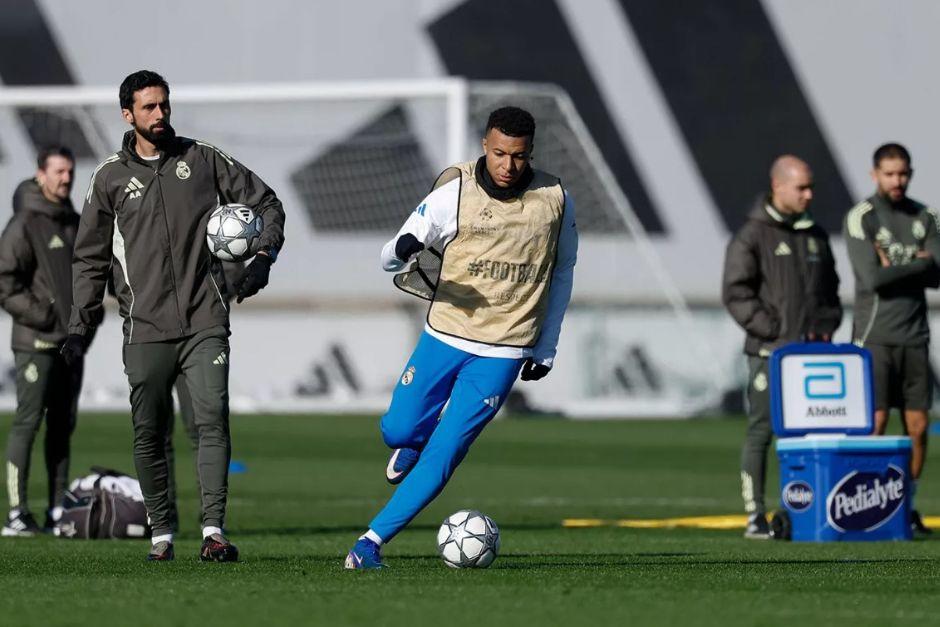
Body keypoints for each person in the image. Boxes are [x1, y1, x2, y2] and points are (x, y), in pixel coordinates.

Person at [63, 70, 285, 561]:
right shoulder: (109, 178)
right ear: (128, 114)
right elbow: (89, 259)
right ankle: (161, 534)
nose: (160, 114)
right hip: (144, 327)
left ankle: (214, 532)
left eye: (164, 104)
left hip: (205, 319)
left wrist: (263, 258)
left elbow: (268, 203)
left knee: (211, 421)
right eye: (149, 107)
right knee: (149, 432)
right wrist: (79, 325)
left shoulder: (202, 159)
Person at [344, 106, 578, 569]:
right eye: (499, 153)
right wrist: (402, 251)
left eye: (518, 155)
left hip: (505, 349)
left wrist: (545, 347)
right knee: (397, 429)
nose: (508, 165)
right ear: (484, 146)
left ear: (530, 152)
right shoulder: (454, 192)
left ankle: (370, 543)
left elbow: (563, 271)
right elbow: (389, 257)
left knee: (447, 451)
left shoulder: (555, 199)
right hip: (446, 334)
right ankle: (411, 442)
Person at [722, 155, 842, 539]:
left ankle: (810, 510)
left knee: (811, 434)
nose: (809, 195)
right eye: (801, 188)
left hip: (811, 358)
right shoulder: (751, 235)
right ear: (778, 186)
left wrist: (826, 326)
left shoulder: (816, 235)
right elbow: (736, 293)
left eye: (811, 188)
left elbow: (830, 291)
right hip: (769, 355)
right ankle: (755, 514)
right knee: (762, 431)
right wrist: (772, 331)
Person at [844, 143, 940, 535]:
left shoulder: (926, 216)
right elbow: (871, 278)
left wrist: (896, 266)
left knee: (917, 426)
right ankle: (865, 505)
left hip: (915, 336)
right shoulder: (862, 217)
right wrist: (917, 263)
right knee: (876, 423)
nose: (897, 181)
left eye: (902, 173)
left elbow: (938, 274)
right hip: (875, 337)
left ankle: (906, 505)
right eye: (889, 174)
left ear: (910, 173)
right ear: (875, 175)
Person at [0, 146, 86, 536]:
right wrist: (44, 315)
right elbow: (5, 282)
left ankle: (57, 511)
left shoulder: (74, 221)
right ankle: (17, 513)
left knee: (62, 427)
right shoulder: (24, 222)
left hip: (70, 346)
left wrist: (88, 318)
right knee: (28, 422)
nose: (66, 178)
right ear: (40, 175)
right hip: (35, 343)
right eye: (58, 171)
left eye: (69, 171)